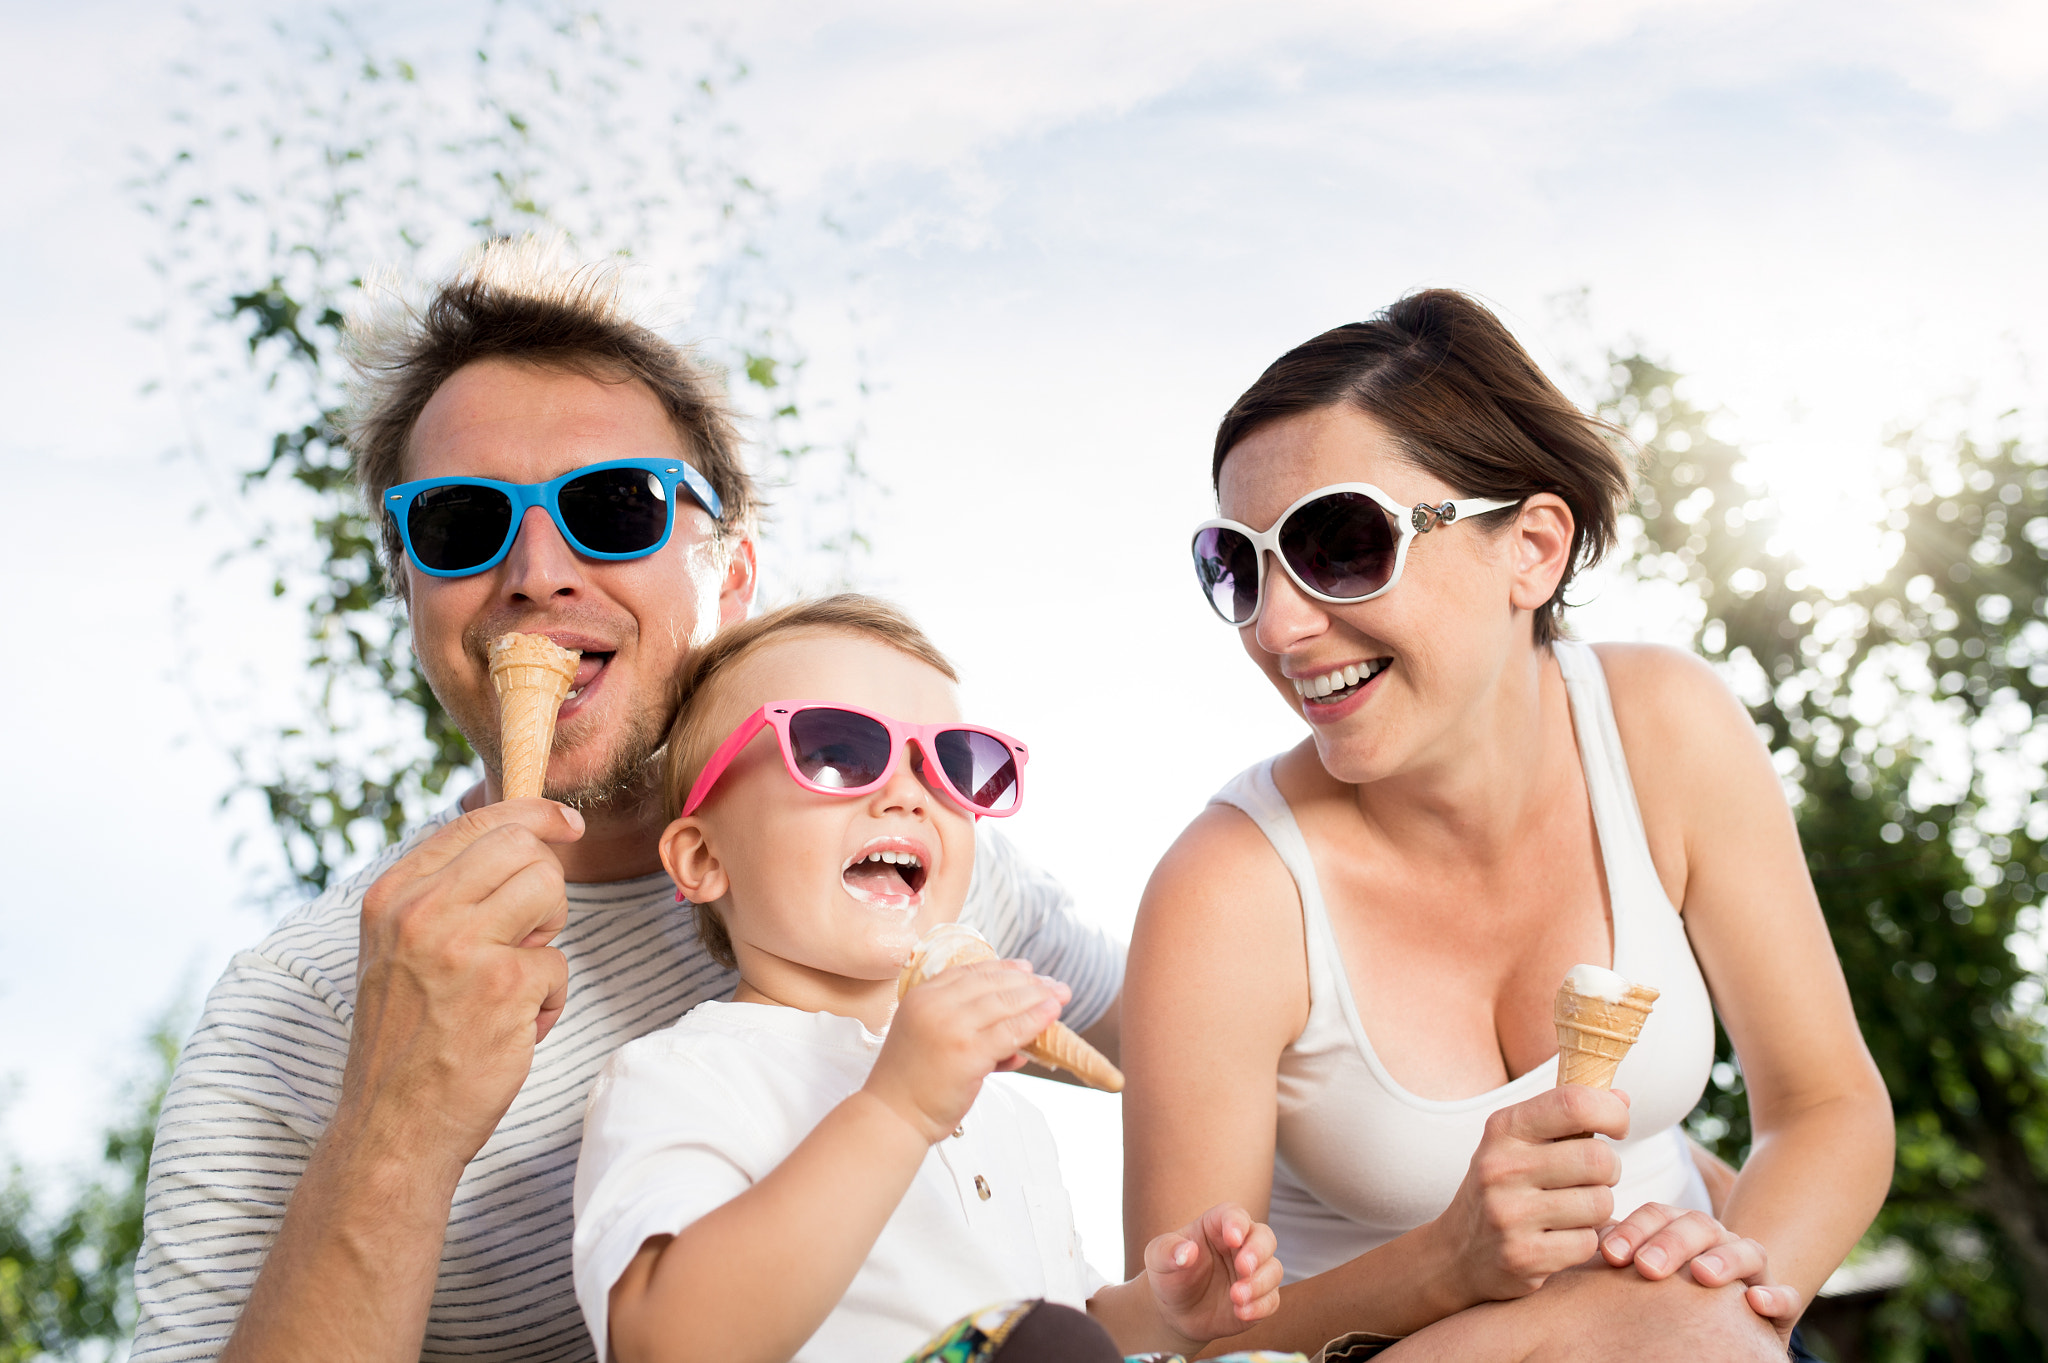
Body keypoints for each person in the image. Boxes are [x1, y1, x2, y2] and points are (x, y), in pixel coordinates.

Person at [131, 241, 1125, 1363]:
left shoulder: (906, 867)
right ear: (409, 589)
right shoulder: (295, 1008)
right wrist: (395, 1120)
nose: (538, 571)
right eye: (461, 524)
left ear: (733, 579)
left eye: (615, 507)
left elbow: (1222, 1042)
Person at [1120, 291, 1894, 1360]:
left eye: (1338, 543)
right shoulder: (1226, 890)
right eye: (1237, 565)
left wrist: (1717, 1295)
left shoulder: (1661, 726)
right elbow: (1177, 1339)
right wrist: (1441, 1264)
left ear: (1530, 548)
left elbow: (1825, 1106)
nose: (1277, 625)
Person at [572, 594, 1285, 1362]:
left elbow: (1052, 1324)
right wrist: (898, 1108)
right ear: (704, 858)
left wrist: (1161, 1312)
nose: (910, 792)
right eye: (835, 750)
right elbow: (662, 1342)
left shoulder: (1009, 1118)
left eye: (953, 762)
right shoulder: (686, 1077)